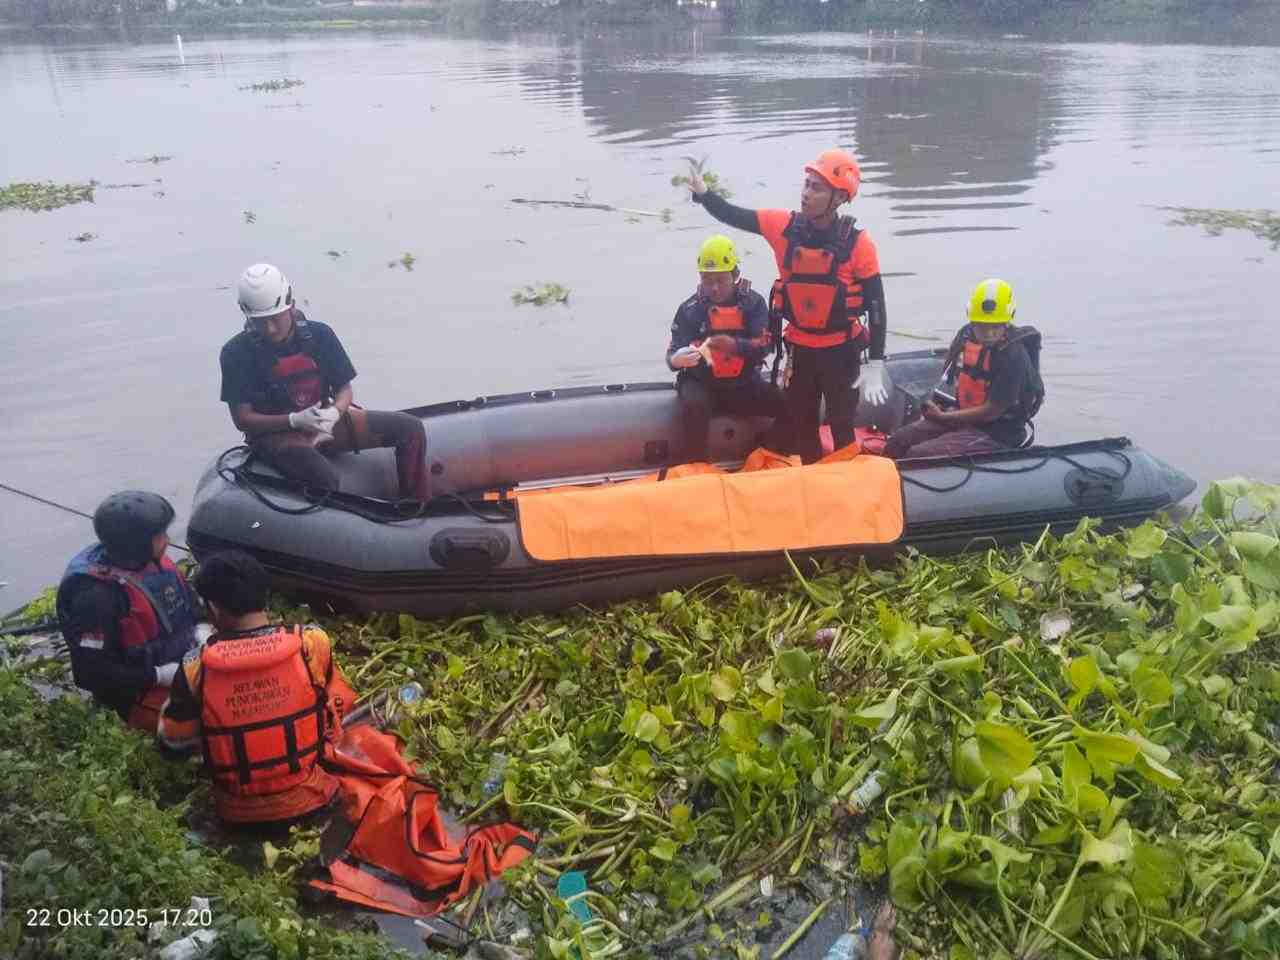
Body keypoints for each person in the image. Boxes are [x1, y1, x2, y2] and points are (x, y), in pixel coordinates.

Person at [686, 149, 891, 463]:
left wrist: (875, 363)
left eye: (816, 188)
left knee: (841, 425)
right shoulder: (782, 226)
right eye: (806, 185)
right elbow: (735, 215)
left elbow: (876, 307)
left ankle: (846, 492)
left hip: (842, 352)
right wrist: (704, 195)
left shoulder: (859, 243)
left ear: (839, 198)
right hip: (801, 352)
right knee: (804, 426)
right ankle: (811, 485)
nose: (806, 194)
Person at [157, 550, 356, 824]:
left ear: (213, 608)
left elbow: (173, 746)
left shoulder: (195, 666)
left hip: (238, 817)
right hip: (313, 802)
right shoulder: (312, 642)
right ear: (266, 597)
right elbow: (337, 704)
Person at [219, 263, 430, 502]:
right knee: (324, 478)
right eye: (260, 321)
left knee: (409, 429)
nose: (269, 328)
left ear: (291, 305)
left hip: (325, 421)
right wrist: (294, 420)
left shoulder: (321, 336)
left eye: (275, 318)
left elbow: (344, 389)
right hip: (275, 434)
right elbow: (242, 420)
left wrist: (335, 413)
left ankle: (414, 509)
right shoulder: (235, 353)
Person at [56, 491, 200, 733]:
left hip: (183, 664)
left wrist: (203, 631)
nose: (167, 539)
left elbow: (191, 608)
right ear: (137, 544)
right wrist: (157, 676)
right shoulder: (96, 598)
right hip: (136, 691)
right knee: (208, 720)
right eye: (160, 535)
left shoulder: (154, 564)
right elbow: (89, 674)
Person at [884, 278, 1043, 459]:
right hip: (961, 417)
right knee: (899, 440)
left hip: (997, 431)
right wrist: (934, 408)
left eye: (996, 326)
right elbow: (948, 375)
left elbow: (992, 411)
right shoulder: (965, 336)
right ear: (972, 321)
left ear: (1008, 320)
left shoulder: (1014, 355)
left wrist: (944, 418)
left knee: (918, 455)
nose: (989, 333)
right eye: (982, 326)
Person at [666, 235, 789, 461]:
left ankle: (766, 450)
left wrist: (732, 346)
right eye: (707, 280)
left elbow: (765, 346)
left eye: (720, 280)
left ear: (734, 275)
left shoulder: (753, 304)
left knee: (789, 406)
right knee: (695, 407)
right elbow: (672, 353)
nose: (713, 288)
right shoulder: (690, 309)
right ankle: (695, 466)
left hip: (743, 384)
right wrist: (677, 359)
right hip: (702, 383)